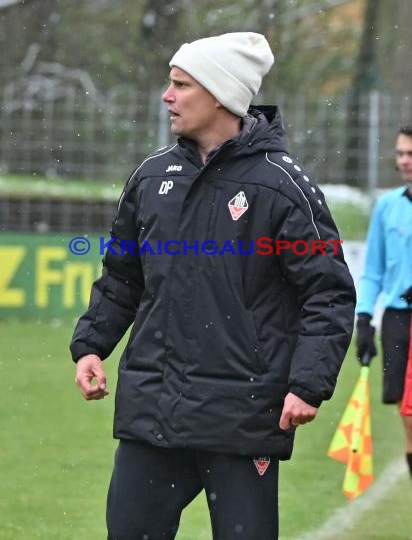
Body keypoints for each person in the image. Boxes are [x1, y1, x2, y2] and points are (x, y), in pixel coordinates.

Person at [70, 32, 356, 540]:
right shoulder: (150, 177)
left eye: (181, 84)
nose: (167, 96)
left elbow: (327, 294)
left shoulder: (281, 185)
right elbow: (122, 276)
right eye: (169, 83)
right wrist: (92, 345)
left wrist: (308, 384)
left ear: (220, 95)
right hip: (153, 413)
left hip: (242, 419)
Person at [356, 125, 412, 481]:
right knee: (406, 413)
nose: (404, 161)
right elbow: (373, 269)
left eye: (411, 154)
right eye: (400, 154)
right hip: (397, 319)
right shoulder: (387, 207)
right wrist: (364, 317)